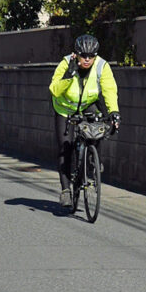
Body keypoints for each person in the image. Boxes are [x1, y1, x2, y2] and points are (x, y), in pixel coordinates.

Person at [48, 33, 120, 208]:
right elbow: (54, 90)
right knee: (66, 148)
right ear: (77, 54)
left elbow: (109, 90)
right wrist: (69, 73)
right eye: (83, 55)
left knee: (98, 126)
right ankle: (66, 190)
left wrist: (114, 112)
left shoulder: (102, 66)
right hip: (65, 108)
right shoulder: (66, 63)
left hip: (87, 104)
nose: (87, 59)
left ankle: (94, 160)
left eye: (91, 56)